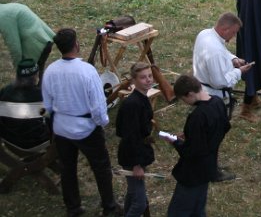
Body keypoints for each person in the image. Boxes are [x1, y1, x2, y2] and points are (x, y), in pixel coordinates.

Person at [42, 28, 122, 216]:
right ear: (76, 45)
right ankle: (109, 207)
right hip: (86, 129)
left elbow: (47, 104)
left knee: (67, 169)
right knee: (101, 168)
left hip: (61, 128)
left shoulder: (50, 70)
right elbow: (98, 105)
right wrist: (102, 122)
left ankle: (73, 208)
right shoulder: (87, 71)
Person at [163, 75, 231, 217]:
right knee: (198, 209)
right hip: (209, 166)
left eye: (184, 99)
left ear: (190, 94)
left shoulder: (198, 116)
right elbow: (225, 126)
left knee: (178, 212)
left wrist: (175, 141)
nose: (186, 103)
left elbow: (192, 151)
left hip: (193, 173)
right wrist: (192, 134)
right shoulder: (218, 102)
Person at [192, 12, 253, 119]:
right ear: (225, 30)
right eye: (234, 32)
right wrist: (239, 71)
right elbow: (220, 82)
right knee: (216, 125)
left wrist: (233, 59)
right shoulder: (215, 51)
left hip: (202, 88)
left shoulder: (205, 34)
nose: (234, 36)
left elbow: (222, 50)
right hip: (214, 98)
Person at [115, 62, 155, 217]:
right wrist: (136, 165)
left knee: (133, 193)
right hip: (132, 157)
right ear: (133, 80)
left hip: (137, 152)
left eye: (150, 76)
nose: (148, 80)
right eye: (143, 77)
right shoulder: (132, 104)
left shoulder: (142, 99)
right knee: (139, 203)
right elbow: (129, 136)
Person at [0, 58, 50, 149]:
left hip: (9, 141)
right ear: (35, 76)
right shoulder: (41, 95)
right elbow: (48, 117)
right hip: (35, 143)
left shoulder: (5, 91)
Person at [0, 3, 54, 82]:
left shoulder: (3, 17)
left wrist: (19, 69)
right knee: (39, 75)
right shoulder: (7, 8)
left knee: (27, 80)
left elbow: (14, 46)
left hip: (36, 44)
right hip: (46, 38)